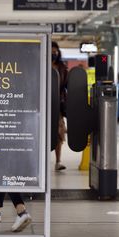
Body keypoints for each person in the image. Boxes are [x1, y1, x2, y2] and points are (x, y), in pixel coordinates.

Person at [51, 42, 69, 171]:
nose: (53, 54)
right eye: (51, 52)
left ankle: (58, 161)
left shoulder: (62, 67)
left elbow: (67, 85)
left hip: (58, 103)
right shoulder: (40, 63)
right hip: (42, 102)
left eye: (55, 52)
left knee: (59, 132)